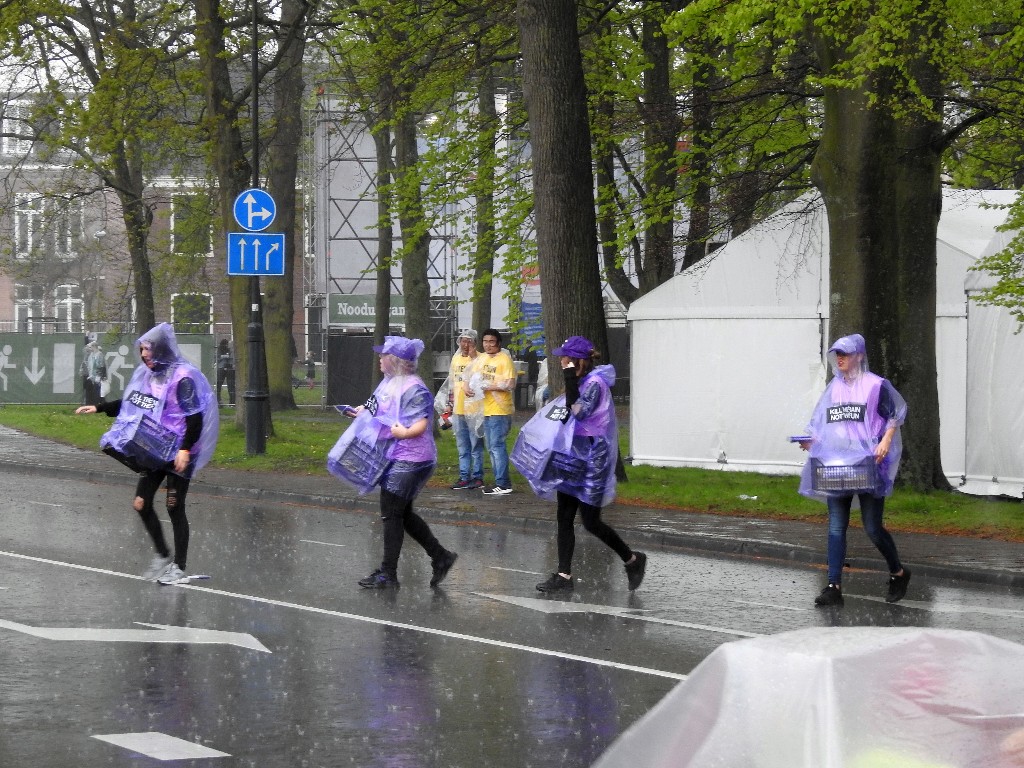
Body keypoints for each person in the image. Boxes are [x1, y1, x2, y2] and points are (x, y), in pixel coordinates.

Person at [75, 323, 219, 585]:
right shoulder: (149, 375)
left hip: (181, 450)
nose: (144, 356)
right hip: (155, 447)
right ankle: (163, 554)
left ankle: (179, 567)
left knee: (174, 507)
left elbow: (194, 419)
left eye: (148, 351)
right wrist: (98, 408)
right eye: (141, 351)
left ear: (162, 350)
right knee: (141, 503)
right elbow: (131, 402)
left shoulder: (182, 378)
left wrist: (185, 450)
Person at [511, 335, 647, 593]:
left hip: (592, 459)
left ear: (578, 361)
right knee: (564, 516)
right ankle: (564, 576)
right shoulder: (583, 381)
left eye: (566, 357)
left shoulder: (594, 383)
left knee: (590, 521)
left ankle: (633, 560)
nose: (562, 361)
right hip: (572, 454)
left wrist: (569, 377)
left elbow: (579, 411)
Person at [327, 335, 458, 589]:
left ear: (395, 361)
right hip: (400, 456)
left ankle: (389, 573)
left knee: (391, 513)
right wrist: (359, 411)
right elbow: (379, 408)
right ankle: (440, 557)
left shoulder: (414, 387)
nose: (379, 358)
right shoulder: (391, 383)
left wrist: (404, 432)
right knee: (402, 514)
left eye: (383, 355)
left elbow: (420, 421)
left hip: (412, 457)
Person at [797, 333, 910, 607]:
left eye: (845, 353)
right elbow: (823, 423)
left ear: (859, 355)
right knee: (836, 527)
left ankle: (898, 572)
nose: (840, 358)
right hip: (838, 464)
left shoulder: (875, 386)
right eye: (837, 353)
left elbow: (895, 412)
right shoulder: (834, 388)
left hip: (869, 464)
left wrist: (885, 439)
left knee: (872, 527)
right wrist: (812, 439)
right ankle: (833, 587)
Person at [468, 328, 516, 495]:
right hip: (486, 408)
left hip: (500, 409)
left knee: (497, 446)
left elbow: (510, 384)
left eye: (492, 342)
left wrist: (490, 387)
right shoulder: (482, 359)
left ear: (499, 343)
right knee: (491, 446)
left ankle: (503, 483)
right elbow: (472, 377)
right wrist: (469, 388)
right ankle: (499, 482)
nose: (488, 345)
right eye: (485, 342)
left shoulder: (504, 359)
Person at [448, 329, 485, 490]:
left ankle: (477, 477)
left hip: (474, 408)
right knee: (462, 446)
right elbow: (451, 383)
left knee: (475, 444)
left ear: (475, 343)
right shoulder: (456, 359)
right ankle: (464, 476)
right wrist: (449, 403)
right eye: (463, 341)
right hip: (458, 409)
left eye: (469, 341)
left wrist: (473, 357)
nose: (465, 344)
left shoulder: (481, 359)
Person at [81, 340, 107, 406]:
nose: (89, 349)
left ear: (94, 346)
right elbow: (90, 365)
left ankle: (98, 405)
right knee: (91, 391)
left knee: (97, 391)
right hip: (92, 376)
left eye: (90, 347)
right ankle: (91, 404)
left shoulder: (99, 354)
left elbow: (101, 366)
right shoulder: (91, 355)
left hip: (97, 376)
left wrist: (99, 376)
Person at [216, 339, 235, 406]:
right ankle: (219, 401)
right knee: (219, 385)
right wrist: (226, 356)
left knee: (231, 385)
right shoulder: (219, 349)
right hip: (221, 368)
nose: (226, 346)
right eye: (225, 344)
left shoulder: (230, 349)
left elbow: (232, 357)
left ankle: (232, 402)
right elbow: (217, 357)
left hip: (229, 368)